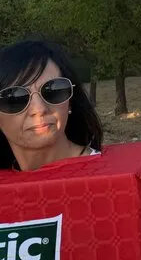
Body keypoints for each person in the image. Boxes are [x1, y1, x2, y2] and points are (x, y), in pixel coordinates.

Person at [0, 40, 103, 172]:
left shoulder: (115, 180)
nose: (39, 109)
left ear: (70, 101)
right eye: (15, 98)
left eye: (53, 91)